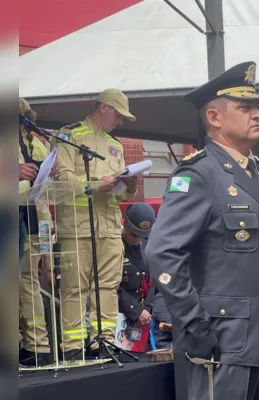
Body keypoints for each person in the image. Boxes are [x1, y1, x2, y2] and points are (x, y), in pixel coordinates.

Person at [146, 62, 259, 400]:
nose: (257, 114)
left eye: (258, 106)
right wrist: (194, 323)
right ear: (214, 118)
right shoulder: (199, 175)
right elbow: (162, 252)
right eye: (245, 107)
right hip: (225, 341)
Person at [54, 88, 139, 359]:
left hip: (109, 227)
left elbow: (123, 195)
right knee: (74, 288)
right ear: (103, 108)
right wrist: (94, 184)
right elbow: (60, 179)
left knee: (108, 286)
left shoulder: (116, 145)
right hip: (77, 227)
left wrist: (130, 185)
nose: (121, 122)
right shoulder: (69, 135)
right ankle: (72, 348)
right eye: (118, 115)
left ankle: (103, 343)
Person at [18, 98, 53, 366]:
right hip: (25, 219)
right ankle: (35, 344)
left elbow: (47, 186)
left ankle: (37, 346)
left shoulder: (38, 145)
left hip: (33, 222)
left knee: (29, 283)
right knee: (27, 284)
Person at [117, 203, 156, 332]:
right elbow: (111, 285)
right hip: (119, 316)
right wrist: (136, 310)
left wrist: (146, 308)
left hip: (141, 319)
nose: (138, 239)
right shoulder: (115, 247)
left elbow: (151, 280)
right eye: (134, 234)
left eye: (142, 235)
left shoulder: (144, 246)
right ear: (126, 224)